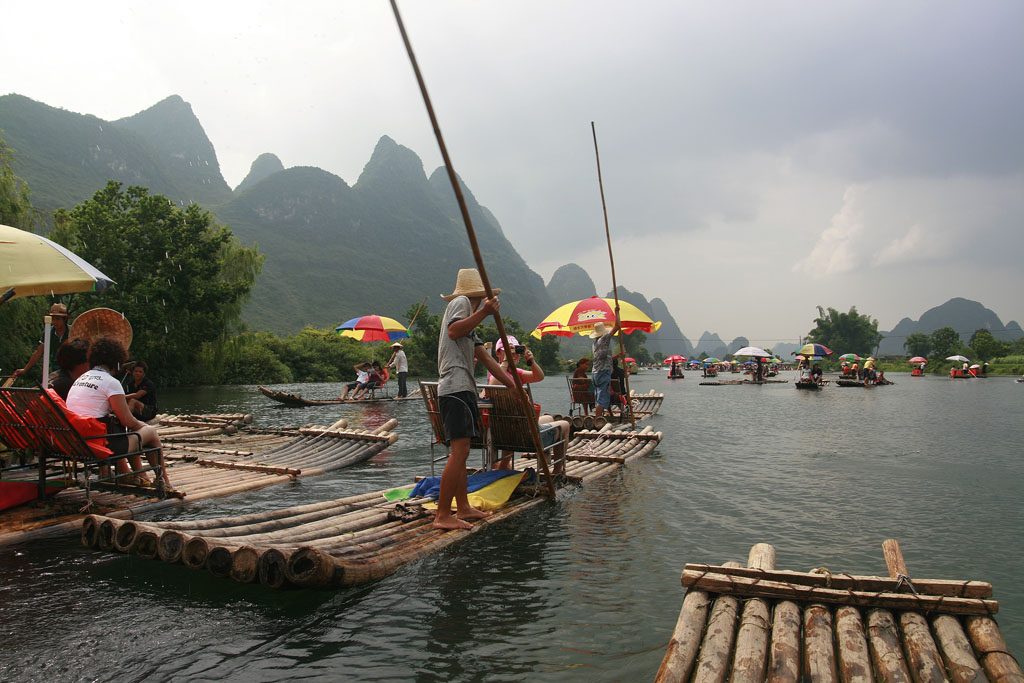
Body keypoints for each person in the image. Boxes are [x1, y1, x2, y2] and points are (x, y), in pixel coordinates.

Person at [434, 268, 522, 530]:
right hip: (455, 387)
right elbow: (453, 331)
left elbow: (486, 359)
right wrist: (485, 312)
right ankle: (442, 515)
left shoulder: (471, 320)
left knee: (460, 453)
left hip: (464, 388)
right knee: (459, 452)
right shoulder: (460, 303)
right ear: (480, 295)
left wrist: (511, 385)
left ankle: (462, 507)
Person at [65, 337, 170, 490]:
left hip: (76, 443)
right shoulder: (110, 382)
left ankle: (138, 475)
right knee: (150, 432)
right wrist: (143, 427)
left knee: (130, 432)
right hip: (101, 446)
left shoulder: (80, 379)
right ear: (117, 361)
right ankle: (163, 482)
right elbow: (129, 421)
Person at [485, 336, 570, 471]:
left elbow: (539, 376)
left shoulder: (515, 372)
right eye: (508, 351)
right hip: (522, 435)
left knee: (548, 418)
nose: (514, 354)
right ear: (498, 353)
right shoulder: (496, 373)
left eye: (516, 351)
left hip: (509, 429)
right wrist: (506, 361)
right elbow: (494, 384)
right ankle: (558, 470)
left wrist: (531, 362)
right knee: (565, 425)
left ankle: (542, 459)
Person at [13, 302, 70, 385]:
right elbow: (38, 353)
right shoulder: (48, 332)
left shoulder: (72, 331)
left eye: (57, 319)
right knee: (48, 386)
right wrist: (25, 369)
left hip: (71, 369)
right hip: (55, 370)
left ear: (64, 319)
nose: (54, 322)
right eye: (53, 319)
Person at [590, 319, 622, 419]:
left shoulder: (595, 344)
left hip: (595, 372)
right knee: (602, 396)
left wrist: (616, 356)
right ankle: (597, 420)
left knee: (599, 396)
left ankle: (598, 417)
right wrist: (617, 312)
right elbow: (617, 326)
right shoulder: (604, 339)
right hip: (603, 372)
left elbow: (603, 357)